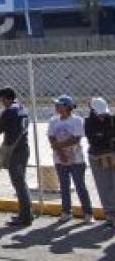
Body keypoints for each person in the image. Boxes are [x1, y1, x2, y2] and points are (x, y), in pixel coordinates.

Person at [48, 94, 93, 223]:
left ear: (67, 107)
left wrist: (57, 146)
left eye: (59, 105)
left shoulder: (77, 120)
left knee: (80, 186)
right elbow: (51, 136)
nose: (56, 107)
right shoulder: (53, 120)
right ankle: (66, 211)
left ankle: (88, 212)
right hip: (59, 159)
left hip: (76, 159)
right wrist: (60, 152)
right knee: (64, 186)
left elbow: (76, 138)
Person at [0, 86, 32, 227]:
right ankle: (27, 213)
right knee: (22, 181)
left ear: (4, 98)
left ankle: (24, 217)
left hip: (14, 150)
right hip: (24, 147)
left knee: (19, 183)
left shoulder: (9, 111)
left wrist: (2, 116)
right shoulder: (23, 108)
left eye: (1, 100)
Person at [86, 97, 115, 226]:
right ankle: (109, 213)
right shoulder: (88, 123)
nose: (103, 116)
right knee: (103, 185)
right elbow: (94, 141)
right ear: (93, 111)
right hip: (97, 156)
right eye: (100, 114)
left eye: (104, 114)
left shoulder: (112, 119)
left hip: (112, 154)